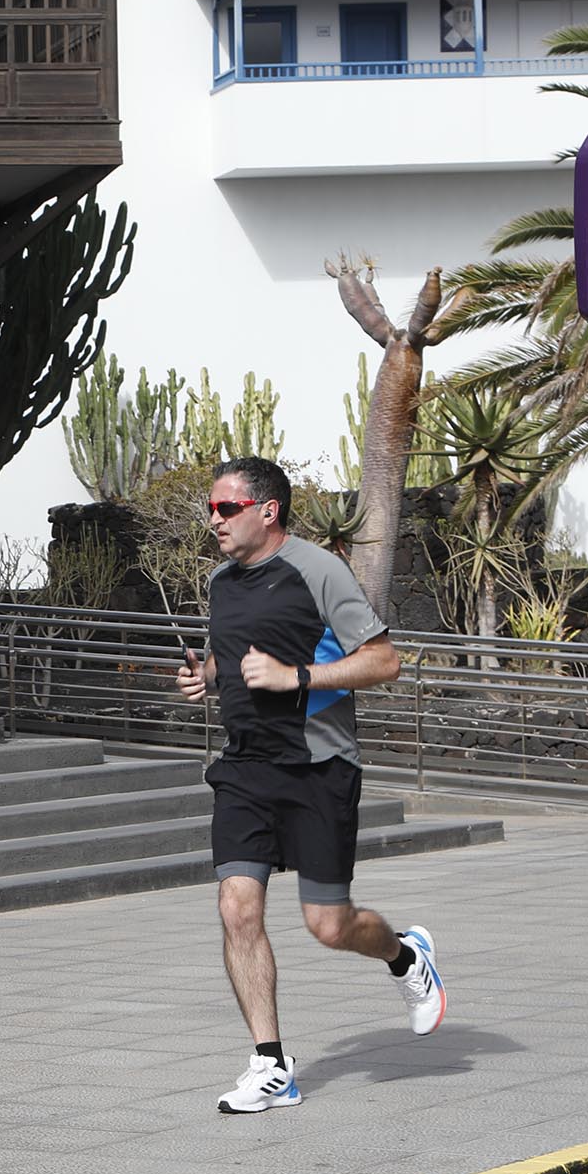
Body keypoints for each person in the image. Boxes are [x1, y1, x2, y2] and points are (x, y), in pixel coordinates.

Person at [171, 456, 447, 1115]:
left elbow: (385, 660)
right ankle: (271, 1065)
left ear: (267, 511)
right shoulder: (219, 581)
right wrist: (206, 675)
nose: (214, 520)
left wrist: (297, 678)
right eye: (210, 509)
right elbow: (237, 653)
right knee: (237, 906)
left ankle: (406, 956)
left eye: (225, 509)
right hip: (244, 767)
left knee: (328, 923)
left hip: (319, 767)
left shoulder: (318, 569)